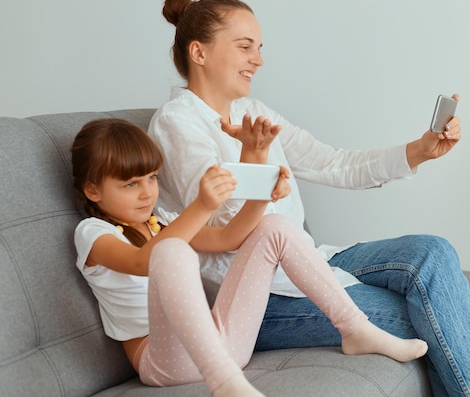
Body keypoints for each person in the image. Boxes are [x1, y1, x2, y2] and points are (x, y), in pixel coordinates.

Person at [149, 0, 470, 397]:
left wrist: (419, 150)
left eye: (259, 48)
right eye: (244, 46)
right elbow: (227, 226)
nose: (258, 59)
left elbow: (333, 163)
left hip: (309, 262)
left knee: (434, 251)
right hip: (258, 299)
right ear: (198, 52)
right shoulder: (177, 124)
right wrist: (254, 159)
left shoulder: (252, 110)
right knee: (433, 311)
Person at [71, 119, 429, 397]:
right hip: (164, 363)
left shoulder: (160, 221)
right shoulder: (92, 232)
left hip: (223, 343)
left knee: (275, 226)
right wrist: (202, 206)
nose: (147, 192)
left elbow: (231, 237)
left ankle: (356, 329)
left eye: (151, 178)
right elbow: (141, 262)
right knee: (170, 249)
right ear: (92, 190)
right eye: (130, 184)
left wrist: (263, 197)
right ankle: (224, 382)